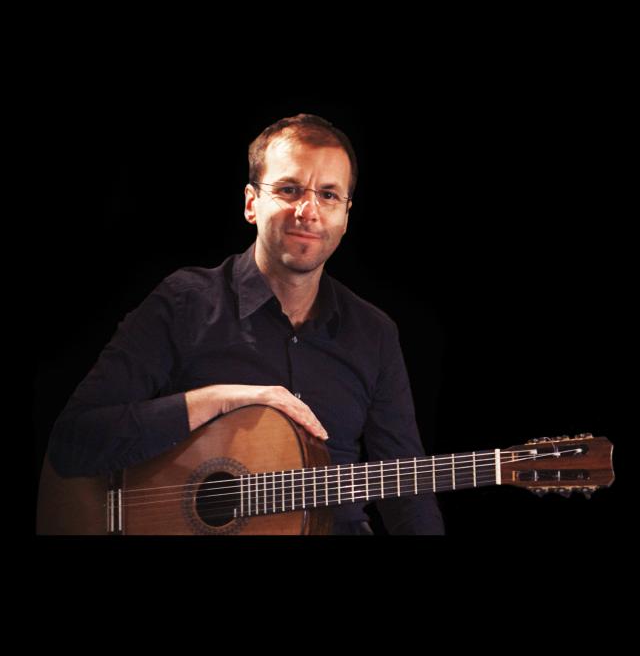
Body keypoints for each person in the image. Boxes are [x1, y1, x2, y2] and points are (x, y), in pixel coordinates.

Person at [47, 113, 445, 535]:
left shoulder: (375, 333)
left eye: (328, 195)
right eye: (289, 190)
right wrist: (218, 400)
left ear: (345, 215)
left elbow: (408, 490)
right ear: (251, 203)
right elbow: (74, 442)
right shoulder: (184, 303)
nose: (308, 211)